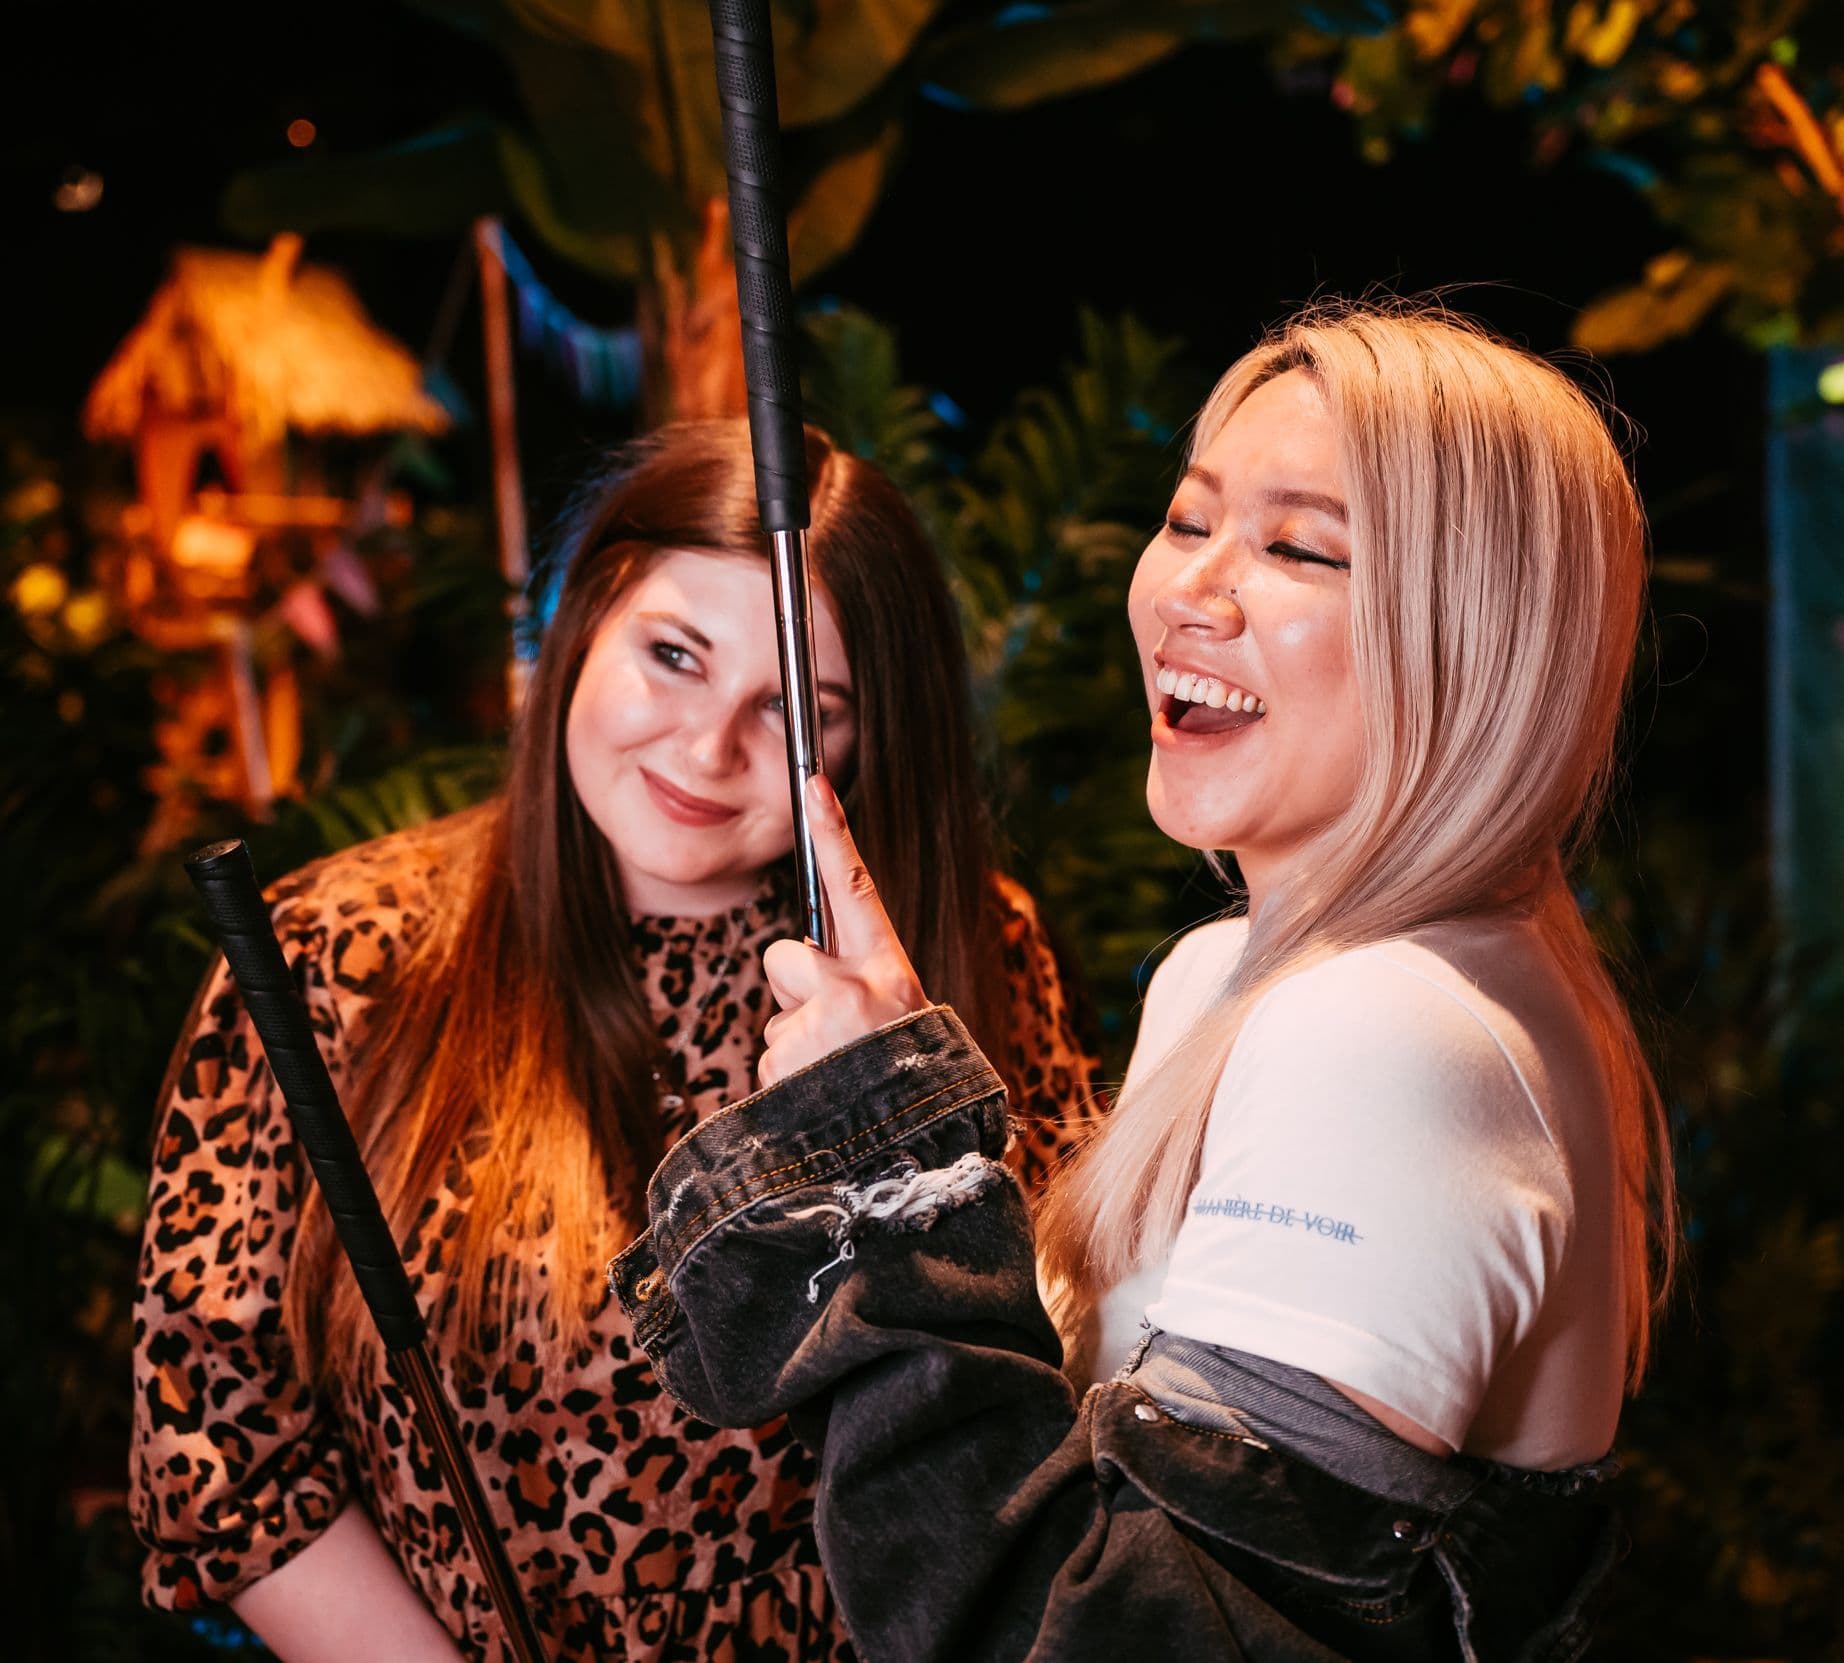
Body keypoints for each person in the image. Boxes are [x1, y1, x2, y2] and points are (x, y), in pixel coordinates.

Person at [609, 303, 1677, 1660]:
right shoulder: (1241, 977)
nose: (1190, 590)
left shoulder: (1387, 1030)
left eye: (1297, 546)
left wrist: (893, 1170)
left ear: (1478, 641)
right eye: (1188, 520)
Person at [129, 422, 1103, 1662]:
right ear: (584, 619)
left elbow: (1054, 1367)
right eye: (675, 655)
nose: (709, 748)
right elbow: (224, 1456)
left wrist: (888, 1098)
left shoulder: (957, 951)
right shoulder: (337, 955)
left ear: (867, 742)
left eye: (798, 713)